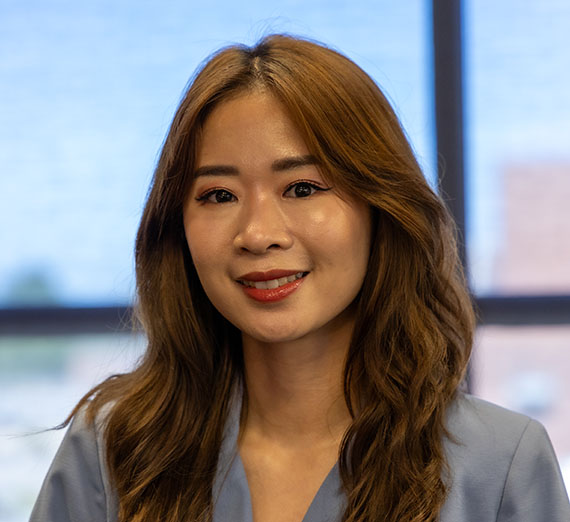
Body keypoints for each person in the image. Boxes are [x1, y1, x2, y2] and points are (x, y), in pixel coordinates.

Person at [30, 34, 570, 522]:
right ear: (177, 228)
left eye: (303, 188)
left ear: (381, 209)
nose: (259, 233)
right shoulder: (111, 451)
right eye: (219, 195)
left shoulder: (500, 466)